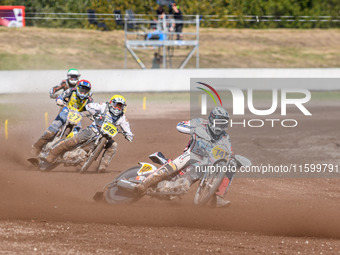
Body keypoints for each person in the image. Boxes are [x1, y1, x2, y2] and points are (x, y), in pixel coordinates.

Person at [135, 107, 234, 208]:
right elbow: (180, 125)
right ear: (212, 119)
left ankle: (218, 198)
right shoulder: (199, 123)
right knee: (182, 160)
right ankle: (145, 184)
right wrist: (192, 130)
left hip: (203, 164)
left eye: (223, 123)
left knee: (229, 167)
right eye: (219, 122)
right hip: (191, 155)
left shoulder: (224, 137)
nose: (220, 126)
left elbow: (229, 153)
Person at [44, 95, 134, 173]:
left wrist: (128, 135)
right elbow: (89, 106)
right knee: (74, 140)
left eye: (120, 106)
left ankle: (102, 167)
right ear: (111, 103)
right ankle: (52, 154)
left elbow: (127, 129)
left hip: (107, 136)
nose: (118, 108)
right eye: (117, 105)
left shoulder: (122, 117)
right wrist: (95, 113)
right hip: (93, 130)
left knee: (113, 146)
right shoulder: (103, 106)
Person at [32, 80, 93, 156]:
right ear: (78, 88)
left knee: (77, 135)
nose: (83, 92)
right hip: (66, 110)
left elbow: (92, 109)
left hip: (78, 116)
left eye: (85, 90)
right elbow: (61, 97)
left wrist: (92, 114)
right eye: (82, 89)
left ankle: (65, 153)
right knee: (52, 131)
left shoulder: (89, 100)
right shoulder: (71, 91)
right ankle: (37, 146)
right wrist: (59, 100)